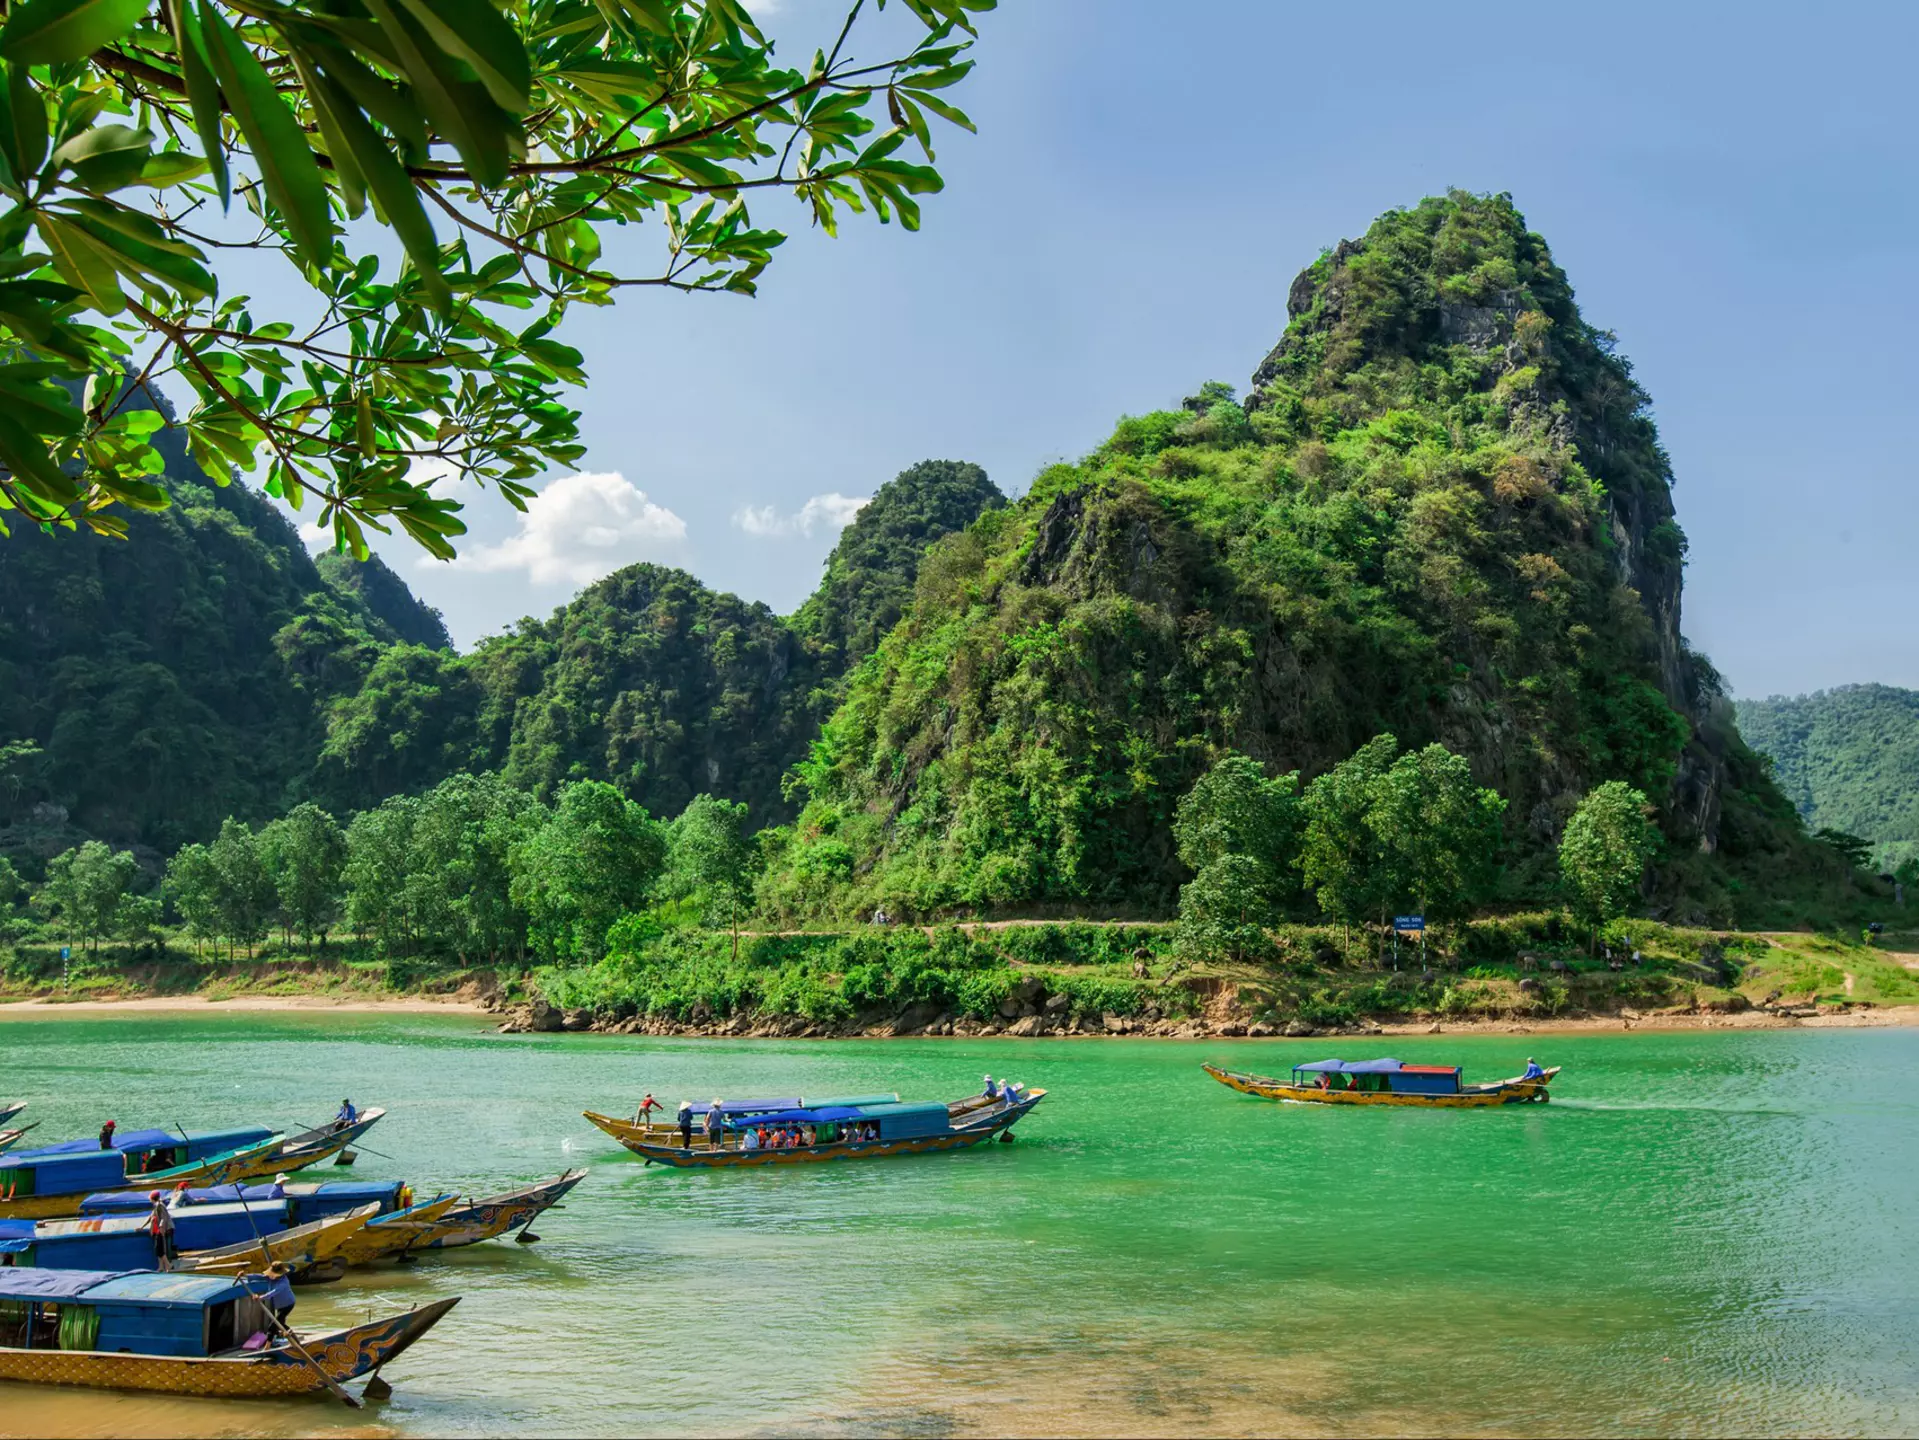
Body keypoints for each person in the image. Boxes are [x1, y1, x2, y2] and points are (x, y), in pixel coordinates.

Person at [251, 1263, 296, 1329]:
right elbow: (259, 1277)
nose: (270, 1276)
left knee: (274, 1325)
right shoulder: (270, 1277)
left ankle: (269, 1339)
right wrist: (245, 1275)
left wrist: (260, 1297)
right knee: (281, 1323)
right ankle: (291, 1334)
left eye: (273, 1275)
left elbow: (274, 1292)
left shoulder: (283, 1282)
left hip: (288, 1304)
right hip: (280, 1304)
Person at [148, 1190, 176, 1267]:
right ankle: (164, 1266)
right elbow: (150, 1217)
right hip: (163, 1229)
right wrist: (142, 1227)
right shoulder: (156, 1206)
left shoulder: (159, 1205)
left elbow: (163, 1218)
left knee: (163, 1249)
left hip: (166, 1228)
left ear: (152, 1198)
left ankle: (168, 1265)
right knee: (161, 1249)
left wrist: (160, 1227)